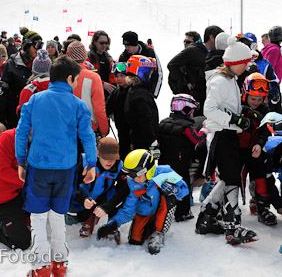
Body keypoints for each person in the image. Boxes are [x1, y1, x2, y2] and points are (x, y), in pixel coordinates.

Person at [16, 55, 97, 277]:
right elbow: (88, 136)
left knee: (38, 216)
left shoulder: (34, 100)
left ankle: (41, 267)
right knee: (58, 214)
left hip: (38, 166)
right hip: (65, 168)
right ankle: (60, 263)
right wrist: (91, 164)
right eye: (76, 80)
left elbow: (22, 132)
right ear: (70, 78)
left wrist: (20, 161)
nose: (76, 84)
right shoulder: (78, 104)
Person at [198, 36, 259, 245]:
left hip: (228, 133)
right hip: (220, 135)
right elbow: (209, 110)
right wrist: (234, 119)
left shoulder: (231, 79)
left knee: (226, 178)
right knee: (232, 179)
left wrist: (244, 114)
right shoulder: (220, 81)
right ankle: (233, 228)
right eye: (245, 62)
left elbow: (229, 107)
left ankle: (205, 218)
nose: (247, 66)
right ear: (234, 62)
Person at [97, 149, 188, 254]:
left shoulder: (165, 172)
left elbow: (184, 190)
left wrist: (175, 189)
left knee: (169, 198)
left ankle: (159, 233)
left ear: (148, 170)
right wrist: (114, 223)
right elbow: (128, 209)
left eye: (137, 175)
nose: (134, 179)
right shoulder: (133, 184)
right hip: (145, 212)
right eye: (131, 175)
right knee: (135, 241)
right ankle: (149, 227)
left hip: (162, 211)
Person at [158, 94, 208, 222]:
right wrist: (204, 130)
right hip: (180, 163)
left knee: (165, 186)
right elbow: (196, 139)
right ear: (185, 110)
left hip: (164, 162)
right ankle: (182, 212)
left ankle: (162, 210)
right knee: (182, 187)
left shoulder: (163, 122)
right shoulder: (186, 127)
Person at [0, 127, 31, 250]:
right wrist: (30, 180)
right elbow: (2, 172)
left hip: (19, 195)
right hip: (0, 201)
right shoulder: (7, 138)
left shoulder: (37, 139)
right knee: (22, 242)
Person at [237, 73, 275, 225]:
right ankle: (227, 208)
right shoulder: (237, 105)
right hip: (236, 149)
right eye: (253, 98)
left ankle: (263, 207)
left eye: (260, 99)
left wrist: (259, 143)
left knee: (260, 177)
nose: (256, 102)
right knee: (231, 179)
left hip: (254, 149)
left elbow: (266, 130)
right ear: (245, 94)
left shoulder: (265, 109)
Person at [71, 137, 123, 243]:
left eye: (113, 158)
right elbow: (71, 185)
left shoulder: (118, 166)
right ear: (98, 154)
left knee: (115, 195)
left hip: (102, 196)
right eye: (106, 158)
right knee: (76, 215)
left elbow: (122, 190)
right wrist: (82, 199)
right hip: (83, 196)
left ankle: (112, 224)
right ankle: (89, 217)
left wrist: (106, 207)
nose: (109, 162)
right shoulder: (85, 163)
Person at [167, 25, 224, 115]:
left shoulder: (216, 53)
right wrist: (184, 81)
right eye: (219, 39)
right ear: (212, 38)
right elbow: (172, 64)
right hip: (195, 99)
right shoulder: (192, 51)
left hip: (210, 97)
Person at [67, 41, 109, 138]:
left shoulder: (60, 75)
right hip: (87, 129)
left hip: (63, 129)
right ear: (85, 56)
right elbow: (99, 109)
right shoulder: (93, 77)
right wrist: (103, 131)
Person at [2, 27, 42, 125]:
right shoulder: (11, 64)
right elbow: (5, 92)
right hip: (16, 115)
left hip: (36, 115)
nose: (38, 50)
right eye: (36, 46)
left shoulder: (41, 64)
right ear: (27, 46)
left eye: (41, 46)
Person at [124, 55, 159, 153]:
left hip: (136, 138)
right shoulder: (141, 95)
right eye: (150, 72)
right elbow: (145, 120)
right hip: (144, 142)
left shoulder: (132, 91)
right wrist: (153, 142)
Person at [238, 32, 281, 112]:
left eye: (248, 45)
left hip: (260, 105)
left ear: (254, 46)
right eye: (243, 45)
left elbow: (274, 83)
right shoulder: (237, 62)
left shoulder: (265, 64)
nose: (246, 48)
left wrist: (266, 97)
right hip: (241, 105)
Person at [118, 31, 163, 98]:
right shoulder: (124, 56)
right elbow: (120, 76)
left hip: (147, 92)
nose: (126, 48)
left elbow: (158, 73)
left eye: (128, 45)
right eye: (125, 46)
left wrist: (153, 94)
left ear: (135, 44)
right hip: (129, 94)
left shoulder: (149, 52)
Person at [87, 30, 116, 97]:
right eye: (101, 43)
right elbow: (88, 76)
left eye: (106, 43)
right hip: (93, 91)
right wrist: (102, 83)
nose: (104, 45)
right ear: (94, 42)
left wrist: (114, 85)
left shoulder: (109, 58)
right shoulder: (88, 57)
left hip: (107, 92)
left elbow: (112, 75)